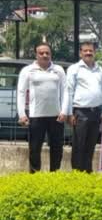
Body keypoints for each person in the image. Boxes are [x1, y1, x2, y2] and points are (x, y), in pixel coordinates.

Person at [16, 42, 67, 173]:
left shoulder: (59, 70)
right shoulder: (27, 70)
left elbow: (65, 91)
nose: (45, 55)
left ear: (51, 54)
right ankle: (35, 176)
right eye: (41, 53)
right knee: (34, 148)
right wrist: (22, 114)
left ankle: (54, 175)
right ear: (36, 54)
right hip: (35, 116)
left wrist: (64, 111)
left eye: (47, 53)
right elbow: (21, 92)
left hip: (56, 116)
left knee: (57, 148)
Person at [62, 42, 102, 172]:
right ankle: (77, 174)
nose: (88, 53)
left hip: (96, 112)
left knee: (91, 145)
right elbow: (68, 91)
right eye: (85, 51)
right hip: (80, 113)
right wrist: (69, 113)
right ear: (80, 53)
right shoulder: (74, 69)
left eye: (91, 50)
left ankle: (88, 174)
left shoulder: (99, 69)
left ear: (94, 52)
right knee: (79, 146)